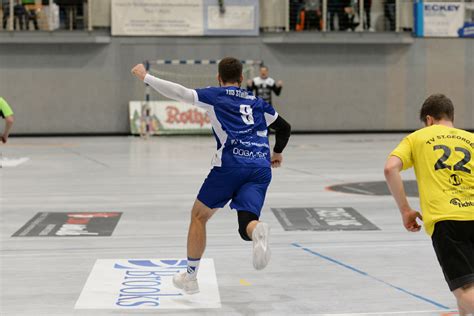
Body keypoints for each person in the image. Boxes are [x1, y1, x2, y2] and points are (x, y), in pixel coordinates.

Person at [131, 57, 291, 294]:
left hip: (231, 164)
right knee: (246, 225)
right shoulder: (257, 102)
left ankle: (191, 278)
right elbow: (285, 127)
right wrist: (276, 153)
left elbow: (180, 93)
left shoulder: (216, 95)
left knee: (198, 216)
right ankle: (257, 230)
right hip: (259, 167)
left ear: (219, 78)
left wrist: (147, 77)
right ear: (242, 79)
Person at [384, 94, 473, 315]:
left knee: (463, 290)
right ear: (451, 116)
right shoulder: (470, 139)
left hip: (447, 220)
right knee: (468, 284)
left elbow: (390, 169)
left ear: (429, 119)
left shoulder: (418, 138)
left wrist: (405, 210)